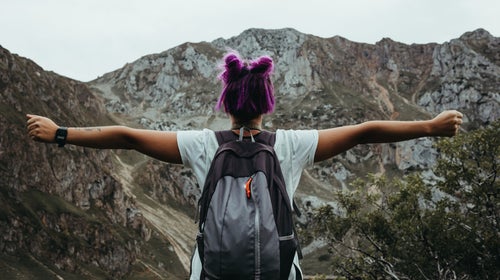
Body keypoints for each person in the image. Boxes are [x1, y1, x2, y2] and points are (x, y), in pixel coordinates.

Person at [26, 52, 463, 279]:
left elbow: (127, 137)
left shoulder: (203, 146)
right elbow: (366, 130)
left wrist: (61, 132)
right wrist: (429, 126)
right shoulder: (289, 146)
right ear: (266, 105)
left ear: (227, 104)